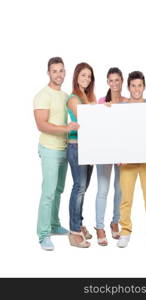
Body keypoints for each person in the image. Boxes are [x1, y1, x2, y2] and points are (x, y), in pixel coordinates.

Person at [33, 57, 79, 251]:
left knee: (59, 190)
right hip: (50, 150)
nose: (58, 74)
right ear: (48, 73)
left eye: (61, 71)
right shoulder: (42, 95)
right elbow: (41, 125)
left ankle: (53, 224)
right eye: (54, 71)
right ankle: (43, 234)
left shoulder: (65, 95)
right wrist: (66, 129)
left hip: (64, 149)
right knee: (49, 193)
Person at [117, 71, 146, 248]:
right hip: (127, 160)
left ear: (144, 87)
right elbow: (117, 134)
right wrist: (118, 155)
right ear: (129, 87)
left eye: (139, 85)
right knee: (126, 199)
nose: (136, 89)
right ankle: (125, 232)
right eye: (133, 85)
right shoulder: (122, 107)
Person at [95, 68, 127, 246]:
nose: (114, 84)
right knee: (103, 190)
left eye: (117, 80)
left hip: (122, 152)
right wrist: (103, 110)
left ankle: (115, 221)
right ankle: (99, 226)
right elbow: (96, 126)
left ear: (122, 81)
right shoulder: (102, 101)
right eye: (111, 81)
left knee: (119, 189)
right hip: (104, 151)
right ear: (108, 82)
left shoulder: (127, 102)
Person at [66, 62, 96, 248]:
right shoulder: (73, 98)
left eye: (89, 76)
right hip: (76, 147)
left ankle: (79, 222)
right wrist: (97, 108)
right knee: (79, 187)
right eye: (83, 75)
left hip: (91, 147)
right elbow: (87, 119)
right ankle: (73, 231)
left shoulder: (88, 96)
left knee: (83, 189)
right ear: (76, 76)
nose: (86, 79)